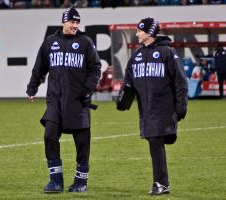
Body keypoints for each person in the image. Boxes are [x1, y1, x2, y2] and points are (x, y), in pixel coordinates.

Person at [26, 7, 101, 193]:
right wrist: (32, 88)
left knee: (82, 144)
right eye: (72, 22)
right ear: (63, 22)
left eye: (77, 22)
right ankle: (56, 181)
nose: (75, 25)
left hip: (78, 101)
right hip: (55, 101)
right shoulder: (50, 42)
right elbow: (39, 67)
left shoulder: (85, 42)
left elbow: (95, 68)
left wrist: (87, 89)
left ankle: (80, 182)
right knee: (50, 136)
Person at [118, 17, 188, 195]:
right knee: (155, 142)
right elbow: (128, 81)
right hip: (146, 109)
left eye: (139, 31)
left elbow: (180, 81)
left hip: (164, 107)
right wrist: (123, 98)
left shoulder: (167, 52)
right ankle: (161, 183)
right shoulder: (137, 56)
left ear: (149, 33)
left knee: (156, 142)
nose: (137, 34)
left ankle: (161, 184)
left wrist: (181, 106)